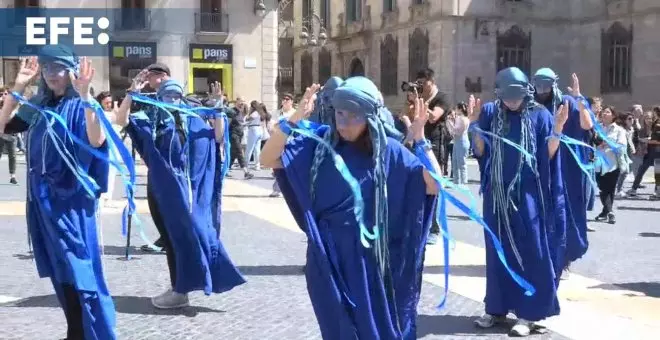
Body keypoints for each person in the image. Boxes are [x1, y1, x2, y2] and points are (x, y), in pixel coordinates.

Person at [262, 77, 440, 339]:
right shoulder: (320, 143)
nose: (343, 123)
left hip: (372, 264)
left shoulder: (389, 152)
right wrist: (293, 120)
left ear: (369, 116)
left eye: (353, 116)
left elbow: (435, 185)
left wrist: (422, 140)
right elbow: (268, 158)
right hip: (328, 259)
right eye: (339, 113)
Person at [0, 47, 119, 339]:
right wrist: (17, 87)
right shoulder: (37, 104)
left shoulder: (82, 104)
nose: (52, 75)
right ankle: (75, 330)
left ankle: (90, 330)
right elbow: (3, 125)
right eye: (47, 68)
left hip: (72, 202)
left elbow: (96, 140)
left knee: (78, 266)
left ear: (72, 71)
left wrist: (87, 96)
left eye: (59, 68)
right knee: (60, 267)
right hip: (42, 201)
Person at [115, 78, 246, 308]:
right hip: (162, 191)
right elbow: (122, 120)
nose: (172, 100)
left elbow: (216, 137)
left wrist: (216, 107)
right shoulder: (152, 121)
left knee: (197, 231)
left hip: (191, 194)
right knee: (171, 239)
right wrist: (130, 95)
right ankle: (180, 288)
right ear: (159, 97)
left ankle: (185, 287)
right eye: (167, 95)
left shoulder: (194, 119)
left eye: (176, 96)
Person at [470, 67, 567, 336]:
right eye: (507, 97)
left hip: (528, 196)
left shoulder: (541, 115)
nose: (512, 102)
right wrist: (473, 125)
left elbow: (548, 156)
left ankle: (530, 313)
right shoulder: (490, 112)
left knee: (532, 250)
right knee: (496, 249)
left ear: (527, 92)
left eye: (517, 97)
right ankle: (496, 308)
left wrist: (557, 129)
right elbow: (480, 152)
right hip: (496, 195)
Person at [532, 69, 594, 276]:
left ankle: (564, 256)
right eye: (538, 84)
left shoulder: (567, 101)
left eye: (545, 85)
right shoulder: (530, 104)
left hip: (568, 167)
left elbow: (587, 124)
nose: (542, 90)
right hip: (542, 164)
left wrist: (579, 98)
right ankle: (544, 255)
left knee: (568, 210)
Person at [417, 68, 450, 245]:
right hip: (420, 144)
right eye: (419, 83)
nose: (421, 86)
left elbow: (433, 117)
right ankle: (423, 223)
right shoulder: (420, 97)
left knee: (434, 185)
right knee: (420, 185)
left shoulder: (441, 98)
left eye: (423, 82)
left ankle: (435, 229)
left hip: (436, 146)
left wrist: (422, 104)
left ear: (431, 81)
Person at [593, 106, 627, 224]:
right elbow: (592, 142)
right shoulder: (597, 128)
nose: (604, 114)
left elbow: (621, 146)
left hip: (613, 164)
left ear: (613, 115)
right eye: (603, 112)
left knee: (610, 189)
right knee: (602, 189)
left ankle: (609, 211)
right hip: (598, 164)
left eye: (607, 112)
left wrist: (607, 143)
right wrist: (597, 144)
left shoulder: (619, 130)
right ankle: (606, 211)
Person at [0, 87, 18, 184]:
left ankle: (12, 176)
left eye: (5, 94)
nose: (3, 95)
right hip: (0, 134)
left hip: (11, 134)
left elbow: (14, 116)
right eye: (1, 94)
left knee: (12, 156)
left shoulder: (13, 105)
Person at [451, 102, 470, 186]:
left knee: (461, 162)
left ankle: (463, 181)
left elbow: (458, 131)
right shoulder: (458, 118)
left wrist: (451, 125)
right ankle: (456, 181)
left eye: (456, 108)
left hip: (462, 142)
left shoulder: (464, 119)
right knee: (454, 161)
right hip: (457, 141)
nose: (455, 110)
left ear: (460, 109)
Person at [245, 100, 263, 169]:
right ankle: (257, 165)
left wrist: (248, 113)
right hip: (259, 129)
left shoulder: (254, 113)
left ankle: (246, 164)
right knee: (257, 149)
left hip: (253, 129)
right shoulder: (260, 113)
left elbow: (247, 119)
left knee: (249, 148)